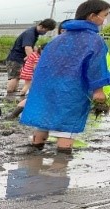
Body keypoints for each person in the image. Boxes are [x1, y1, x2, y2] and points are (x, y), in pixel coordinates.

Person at [20, 0, 110, 153]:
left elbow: (44, 66)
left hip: (47, 87)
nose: (105, 19)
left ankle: (34, 158)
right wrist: (98, 90)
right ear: (93, 16)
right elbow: (95, 68)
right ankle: (59, 168)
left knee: (43, 121)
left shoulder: (58, 39)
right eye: (105, 15)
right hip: (71, 89)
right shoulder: (94, 40)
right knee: (67, 127)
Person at [5, 18, 57, 93]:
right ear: (41, 26)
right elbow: (28, 48)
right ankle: (9, 94)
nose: (45, 32)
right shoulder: (30, 34)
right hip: (16, 58)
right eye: (46, 30)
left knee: (17, 77)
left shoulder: (34, 33)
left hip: (18, 58)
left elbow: (32, 46)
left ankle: (12, 94)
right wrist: (32, 61)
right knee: (14, 77)